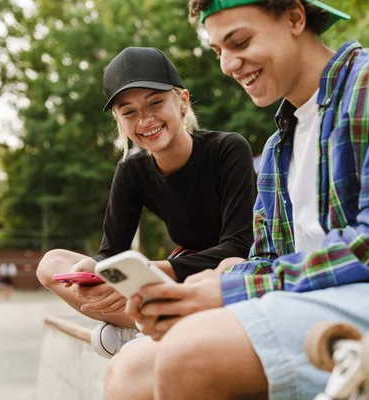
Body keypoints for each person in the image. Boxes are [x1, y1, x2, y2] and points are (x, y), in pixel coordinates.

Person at [103, 1, 369, 399]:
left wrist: (234, 288)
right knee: (131, 369)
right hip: (329, 307)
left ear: (294, 17)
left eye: (240, 42)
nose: (229, 65)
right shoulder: (276, 150)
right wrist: (201, 285)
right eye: (218, 50)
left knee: (189, 356)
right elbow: (272, 259)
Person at [36, 46, 256, 359]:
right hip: (173, 278)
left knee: (228, 267)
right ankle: (146, 324)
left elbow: (238, 246)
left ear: (182, 101)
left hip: (231, 273)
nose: (145, 119)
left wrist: (151, 270)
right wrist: (97, 273)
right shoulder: (131, 170)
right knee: (52, 264)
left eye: (155, 102)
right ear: (118, 119)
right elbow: (112, 252)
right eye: (129, 112)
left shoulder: (227, 149)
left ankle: (150, 323)